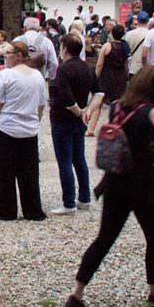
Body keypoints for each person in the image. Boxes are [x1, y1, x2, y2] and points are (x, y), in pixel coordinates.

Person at [64, 66, 154, 307]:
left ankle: (77, 292)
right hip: (144, 187)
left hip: (115, 181)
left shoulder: (117, 107)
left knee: (104, 239)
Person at [0, 42, 48, 221]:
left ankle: (6, 210)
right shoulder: (37, 76)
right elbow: (41, 104)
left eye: (9, 53)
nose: (6, 56)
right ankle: (32, 209)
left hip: (6, 127)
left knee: (3, 171)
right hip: (29, 128)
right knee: (29, 172)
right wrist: (35, 120)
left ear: (20, 55)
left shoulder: (5, 75)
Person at [49, 34, 104, 215]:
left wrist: (81, 112)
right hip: (78, 120)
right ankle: (84, 198)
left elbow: (66, 98)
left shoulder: (63, 69)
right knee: (79, 159)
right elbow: (99, 93)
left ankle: (68, 202)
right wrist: (88, 110)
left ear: (64, 48)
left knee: (65, 161)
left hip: (63, 118)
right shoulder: (87, 68)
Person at [89, 24, 129, 136]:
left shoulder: (107, 46)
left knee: (99, 103)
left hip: (107, 76)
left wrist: (96, 76)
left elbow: (100, 63)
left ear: (112, 33)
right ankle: (116, 126)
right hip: (120, 76)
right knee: (118, 102)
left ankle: (91, 129)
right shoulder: (125, 46)